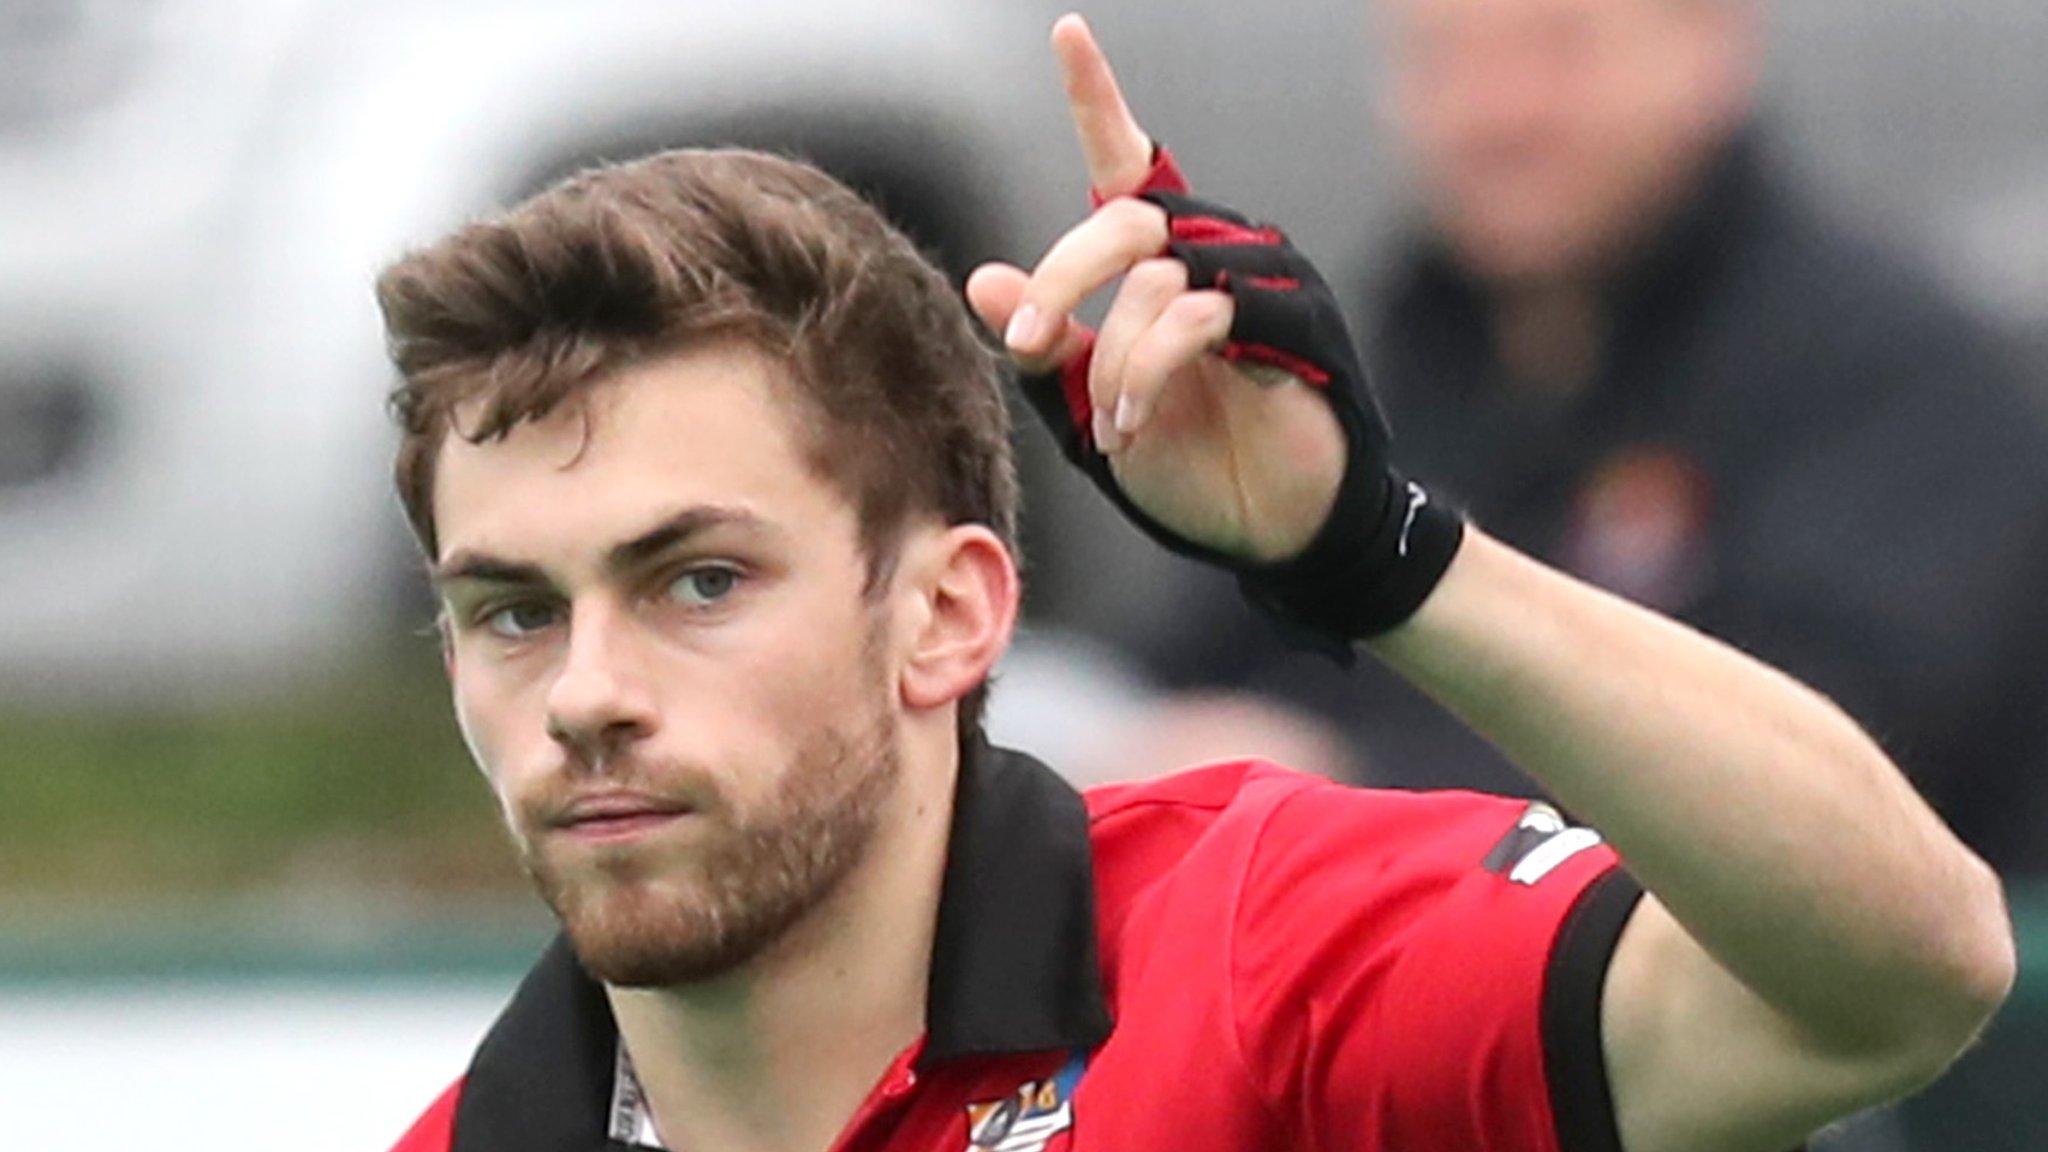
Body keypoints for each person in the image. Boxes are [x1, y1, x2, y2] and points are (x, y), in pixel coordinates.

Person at [378, 16, 2012, 1152]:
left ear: (948, 611)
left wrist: (1375, 556)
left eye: (699, 579)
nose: (584, 689)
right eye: (512, 608)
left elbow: (1899, 972)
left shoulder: (1255, 955)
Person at [1138, 0, 2048, 876]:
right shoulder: (1406, 353)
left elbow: (1821, 789)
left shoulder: (1900, 379)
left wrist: (1342, 788)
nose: (1499, 114)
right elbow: (1183, 671)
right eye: (1442, 58)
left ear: (1714, 44)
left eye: (1560, 47)